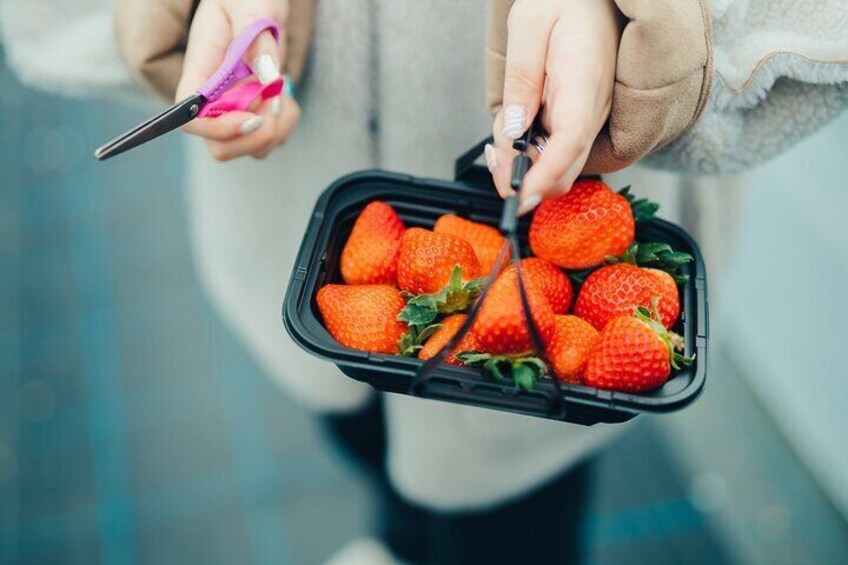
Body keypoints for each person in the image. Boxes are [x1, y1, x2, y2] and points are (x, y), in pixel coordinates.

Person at [4, 0, 846, 562]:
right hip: (300, 221)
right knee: (356, 431)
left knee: (518, 515)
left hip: (552, 291)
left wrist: (642, 23)